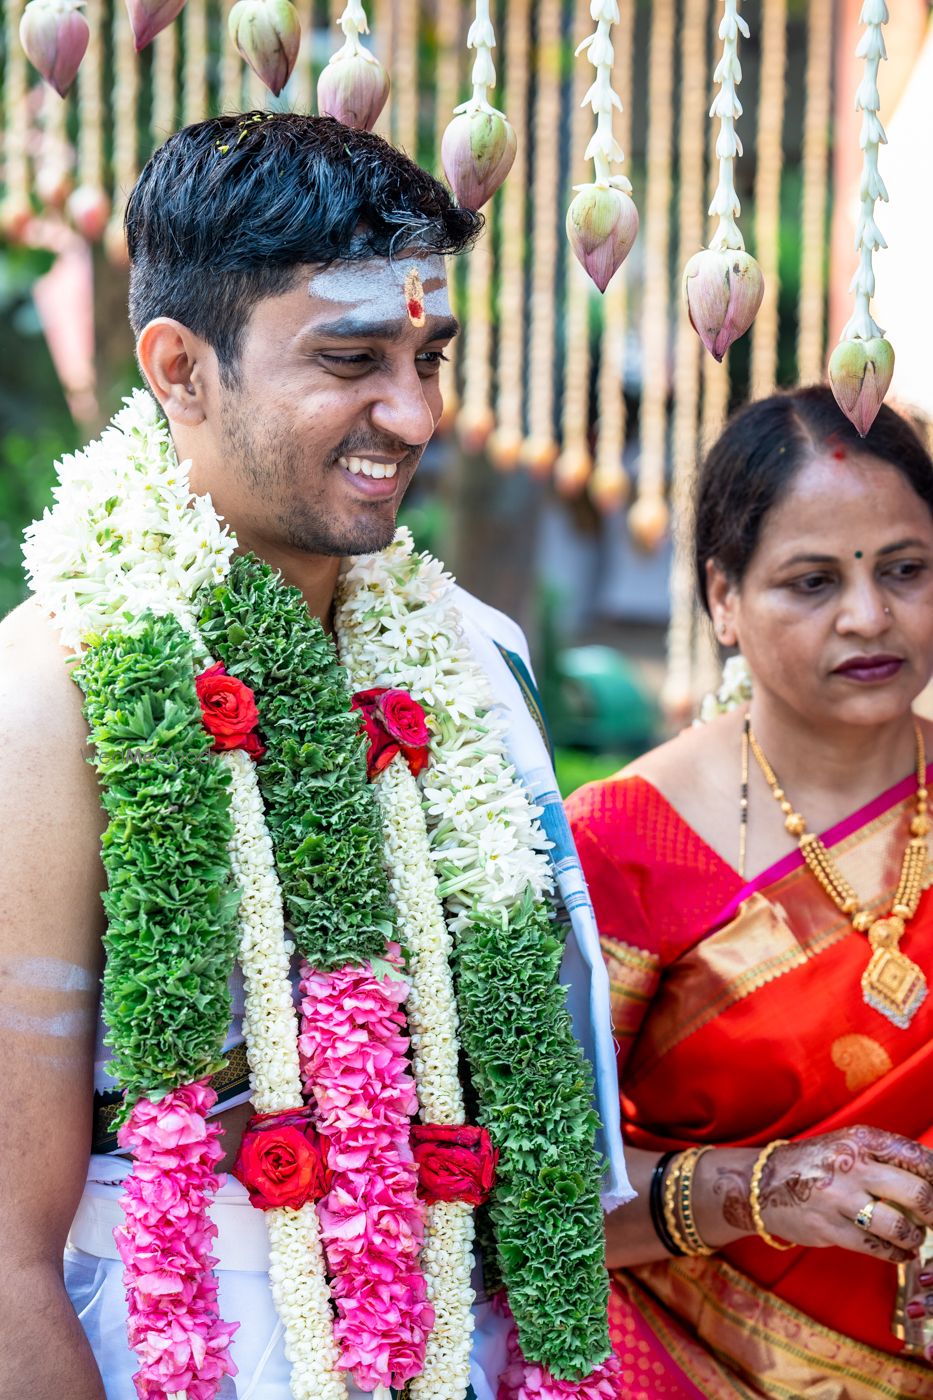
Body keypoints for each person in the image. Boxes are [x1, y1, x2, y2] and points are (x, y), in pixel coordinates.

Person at [0, 113, 626, 1400]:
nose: (413, 411)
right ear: (178, 367)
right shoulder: (59, 687)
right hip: (183, 1341)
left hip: (454, 1340)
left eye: (430, 356)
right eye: (351, 358)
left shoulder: (471, 652)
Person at [567, 385, 933, 1399]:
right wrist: (759, 1189)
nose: (870, 615)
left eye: (906, 569)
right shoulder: (628, 841)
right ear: (723, 597)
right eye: (811, 582)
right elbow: (521, 1194)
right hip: (677, 1369)